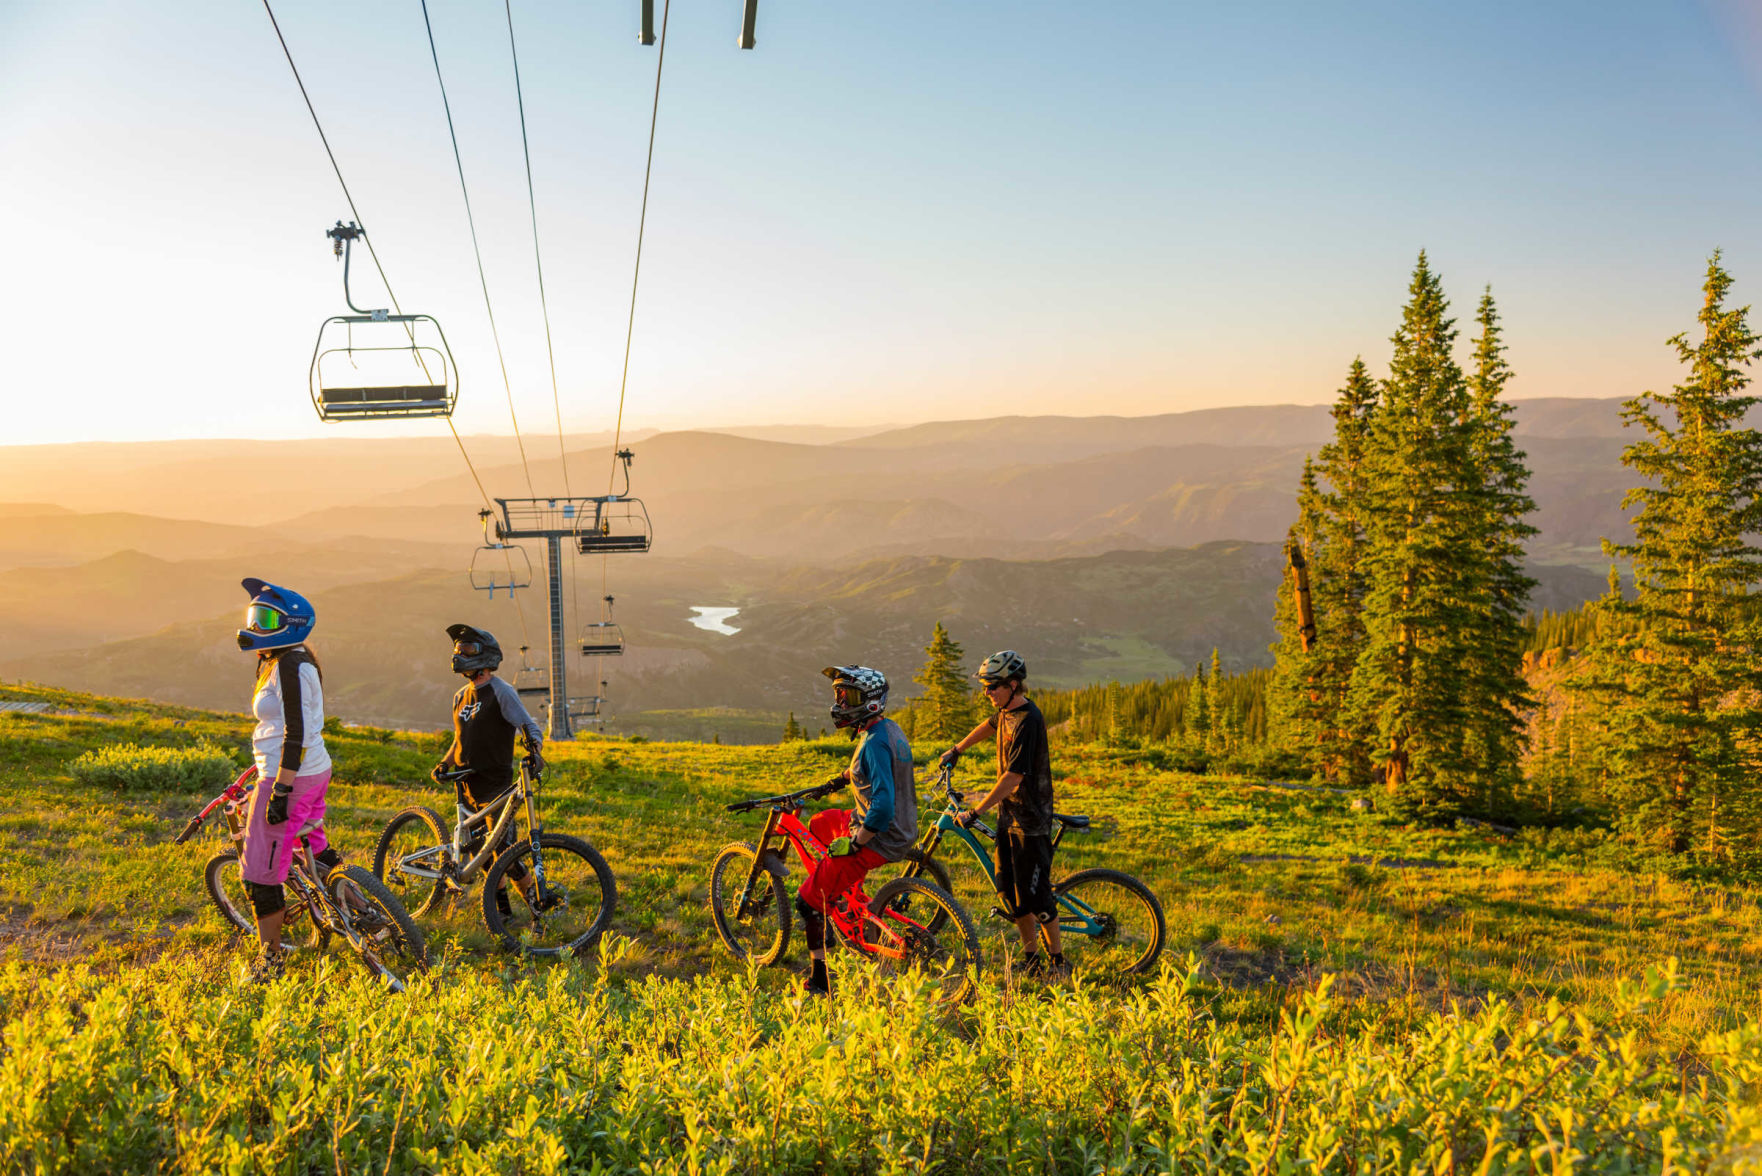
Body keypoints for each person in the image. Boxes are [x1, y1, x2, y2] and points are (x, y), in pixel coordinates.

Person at [938, 649, 1065, 978]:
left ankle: (1059, 963)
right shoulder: (1006, 711)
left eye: (992, 686)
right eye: (984, 687)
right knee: (1010, 893)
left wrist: (975, 811)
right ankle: (1031, 959)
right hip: (1009, 818)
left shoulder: (1028, 720)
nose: (987, 693)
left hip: (1031, 823)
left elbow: (1013, 778)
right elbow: (988, 725)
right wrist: (957, 749)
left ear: (1012, 684)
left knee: (1037, 899)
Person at [236, 578, 337, 984]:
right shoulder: (288, 659)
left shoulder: (291, 665)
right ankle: (359, 906)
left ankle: (269, 961)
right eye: (254, 617)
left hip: (289, 777)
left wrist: (279, 788)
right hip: (312, 770)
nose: (256, 626)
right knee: (314, 842)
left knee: (261, 872)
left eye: (265, 618)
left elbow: (294, 731)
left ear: (291, 624)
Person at [796, 665, 918, 996]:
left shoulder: (873, 743)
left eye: (847, 696)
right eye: (839, 695)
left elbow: (881, 804)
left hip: (879, 833)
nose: (840, 702)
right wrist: (842, 778)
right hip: (900, 826)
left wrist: (854, 844)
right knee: (820, 824)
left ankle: (820, 979)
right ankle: (842, 892)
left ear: (871, 702)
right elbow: (875, 770)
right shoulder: (886, 731)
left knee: (806, 903)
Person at [434, 624, 545, 922]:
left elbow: (528, 725)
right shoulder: (460, 696)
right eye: (458, 649)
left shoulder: (501, 692)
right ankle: (503, 914)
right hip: (467, 783)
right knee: (482, 852)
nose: (460, 655)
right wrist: (445, 763)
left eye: (468, 649)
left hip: (496, 784)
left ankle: (537, 906)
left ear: (486, 656)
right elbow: (459, 738)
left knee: (503, 850)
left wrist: (535, 750)